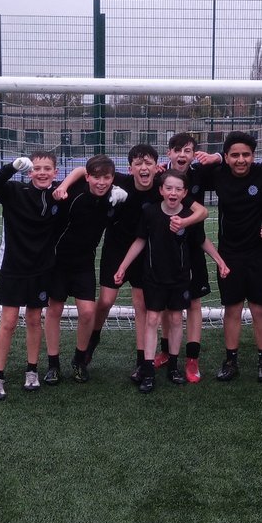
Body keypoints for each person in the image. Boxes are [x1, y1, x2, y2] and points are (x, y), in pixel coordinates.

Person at [62, 144, 206, 379]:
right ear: (130, 169)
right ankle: (90, 345)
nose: (144, 167)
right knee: (106, 301)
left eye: (149, 163)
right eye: (138, 163)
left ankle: (142, 362)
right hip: (116, 249)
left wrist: (184, 222)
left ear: (156, 166)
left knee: (141, 305)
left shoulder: (162, 185)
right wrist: (64, 186)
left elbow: (201, 211)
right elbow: (81, 170)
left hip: (144, 252)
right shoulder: (119, 180)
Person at [113, 169, 229, 393]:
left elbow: (202, 241)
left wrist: (220, 261)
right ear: (161, 190)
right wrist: (122, 267)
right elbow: (139, 241)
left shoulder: (188, 216)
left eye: (178, 189)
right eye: (169, 188)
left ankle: (174, 367)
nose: (173, 192)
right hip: (154, 278)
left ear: (185, 192)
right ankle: (147, 371)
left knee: (176, 319)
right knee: (152, 319)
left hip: (180, 278)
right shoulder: (150, 213)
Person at [195, 131, 262, 382]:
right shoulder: (217, 174)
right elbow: (190, 174)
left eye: (246, 154)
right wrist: (215, 158)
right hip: (229, 253)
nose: (241, 160)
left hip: (259, 254)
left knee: (259, 308)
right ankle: (231, 361)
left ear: (253, 156)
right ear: (227, 157)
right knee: (232, 308)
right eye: (234, 155)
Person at [0, 150, 61, 401]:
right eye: (37, 168)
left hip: (42, 269)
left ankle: (32, 370)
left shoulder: (59, 194)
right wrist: (12, 166)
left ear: (55, 172)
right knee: (8, 322)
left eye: (47, 168)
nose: (42, 173)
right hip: (12, 267)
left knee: (33, 320)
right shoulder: (14, 191)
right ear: (30, 172)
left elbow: (89, 178)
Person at [44, 154, 126, 384]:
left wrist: (121, 196)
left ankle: (79, 361)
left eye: (107, 178)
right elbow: (79, 169)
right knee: (54, 310)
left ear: (112, 178)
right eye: (96, 177)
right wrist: (63, 186)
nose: (101, 182)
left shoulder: (114, 197)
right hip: (58, 262)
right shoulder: (74, 193)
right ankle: (53, 365)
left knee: (88, 312)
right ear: (89, 177)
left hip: (84, 263)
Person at [154, 132, 215, 382]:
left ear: (193, 154)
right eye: (177, 150)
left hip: (194, 246)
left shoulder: (201, 173)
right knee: (170, 305)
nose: (182, 155)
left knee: (195, 304)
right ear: (169, 153)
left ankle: (192, 359)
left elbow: (232, 167)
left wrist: (217, 156)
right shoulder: (159, 176)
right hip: (166, 248)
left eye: (187, 150)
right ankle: (167, 351)